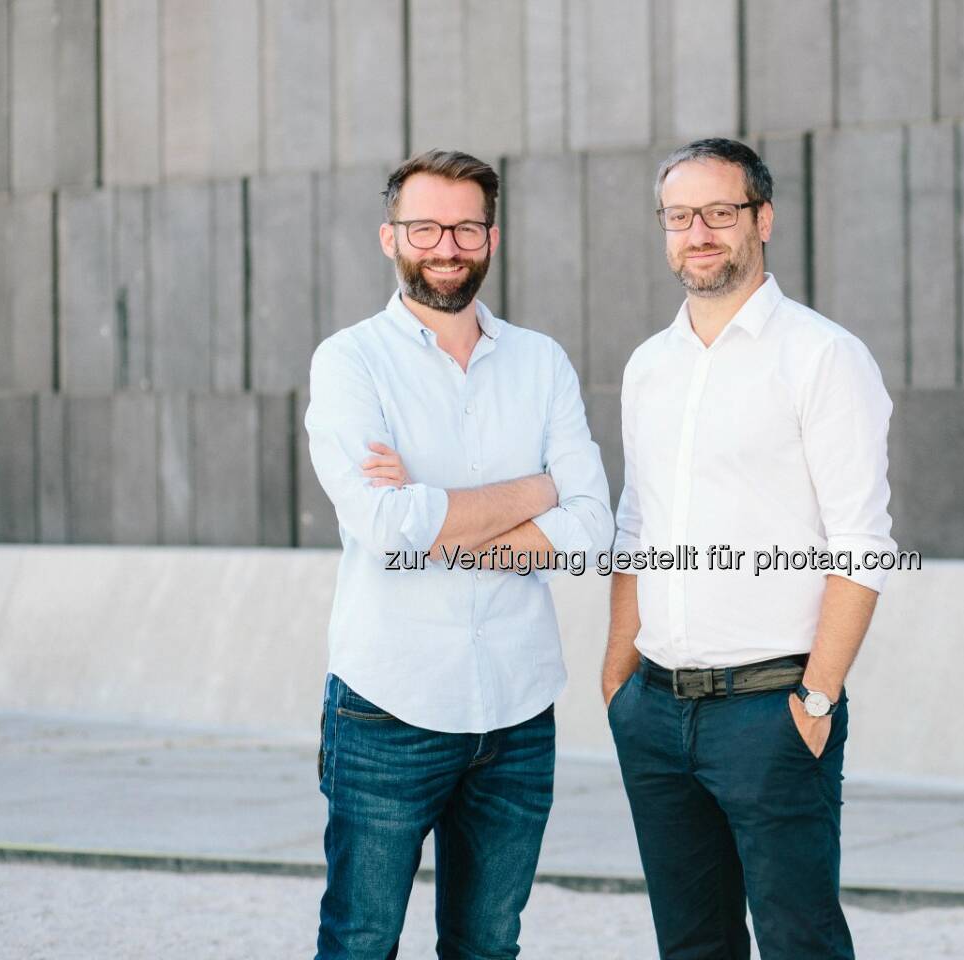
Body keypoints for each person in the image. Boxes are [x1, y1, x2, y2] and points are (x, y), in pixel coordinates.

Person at [305, 149, 613, 959]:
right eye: (426, 227)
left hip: (518, 709)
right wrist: (540, 487)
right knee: (360, 942)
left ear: (492, 236)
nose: (447, 244)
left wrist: (442, 518)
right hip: (386, 709)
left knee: (488, 946)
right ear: (389, 237)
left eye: (466, 226)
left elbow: (591, 534)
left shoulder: (540, 361)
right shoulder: (349, 362)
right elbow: (386, 523)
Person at [600, 138, 896, 960]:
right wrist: (618, 678)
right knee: (691, 946)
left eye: (720, 213)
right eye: (680, 216)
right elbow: (635, 528)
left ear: (761, 219)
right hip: (655, 712)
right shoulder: (648, 366)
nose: (699, 233)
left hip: (772, 711)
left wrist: (818, 701)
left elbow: (862, 546)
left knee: (800, 943)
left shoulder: (822, 356)